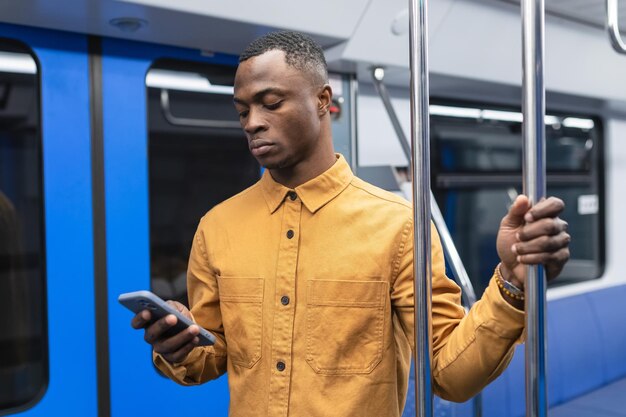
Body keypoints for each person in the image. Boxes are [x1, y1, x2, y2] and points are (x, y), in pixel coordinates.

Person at [131, 31, 570, 417]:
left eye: (271, 103)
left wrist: (513, 283)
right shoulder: (217, 226)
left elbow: (448, 374)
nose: (253, 122)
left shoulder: (399, 226)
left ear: (322, 101)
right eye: (242, 110)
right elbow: (212, 356)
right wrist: (176, 348)